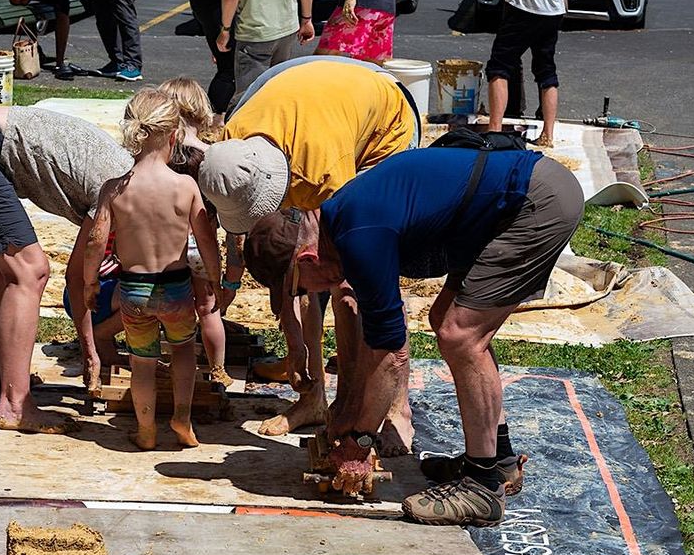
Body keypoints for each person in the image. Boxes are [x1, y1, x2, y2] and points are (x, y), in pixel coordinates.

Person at [246, 148, 584, 525]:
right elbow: (377, 342)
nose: (307, 294)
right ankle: (498, 461)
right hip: (502, 209)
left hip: (533, 203)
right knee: (445, 320)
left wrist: (360, 440)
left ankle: (482, 487)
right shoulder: (341, 224)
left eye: (298, 289)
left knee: (461, 334)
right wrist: (352, 412)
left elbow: (392, 355)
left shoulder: (359, 236)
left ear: (307, 260)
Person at [198, 57, 418, 449]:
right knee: (299, 265)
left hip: (384, 126)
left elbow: (342, 275)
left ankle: (390, 409)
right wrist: (295, 349)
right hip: (314, 105)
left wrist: (349, 413)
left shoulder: (324, 172)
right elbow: (282, 265)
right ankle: (313, 400)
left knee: (358, 287)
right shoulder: (232, 151)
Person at [0, 103, 133, 432]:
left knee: (0, 274)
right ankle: (15, 406)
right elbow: (76, 277)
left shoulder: (130, 182)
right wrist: (90, 349)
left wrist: (95, 346)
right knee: (30, 272)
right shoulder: (123, 192)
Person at [89, 88, 221, 451]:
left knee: (142, 363)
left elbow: (96, 241)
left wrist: (89, 282)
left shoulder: (115, 189)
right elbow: (206, 239)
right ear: (175, 135)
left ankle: (146, 429)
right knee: (183, 352)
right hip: (177, 289)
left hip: (133, 291)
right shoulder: (185, 186)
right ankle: (182, 419)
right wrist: (215, 278)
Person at [485, 0, 613, 144]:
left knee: (499, 67)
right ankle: (548, 135)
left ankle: (494, 130)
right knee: (545, 70)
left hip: (522, 6)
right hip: (553, 9)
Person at [158, 77, 232, 387]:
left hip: (168, 243)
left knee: (170, 305)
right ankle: (218, 368)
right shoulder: (210, 154)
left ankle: (172, 361)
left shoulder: (161, 155)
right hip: (202, 244)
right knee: (208, 308)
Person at [216, 0, 314, 101]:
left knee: (249, 99)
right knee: (277, 94)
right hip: (287, 26)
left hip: (255, 29)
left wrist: (225, 30)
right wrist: (306, 19)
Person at [189, 0, 234, 115]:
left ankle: (214, 115)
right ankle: (214, 117)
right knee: (229, 68)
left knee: (226, 64)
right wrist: (225, 30)